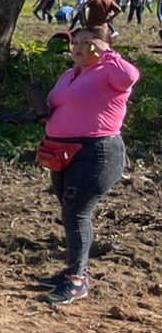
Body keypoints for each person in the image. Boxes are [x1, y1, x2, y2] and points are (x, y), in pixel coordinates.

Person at [37, 27, 140, 304]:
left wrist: (108, 54)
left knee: (77, 212)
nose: (79, 47)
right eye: (76, 42)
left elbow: (131, 76)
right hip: (62, 151)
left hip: (97, 151)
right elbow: (56, 104)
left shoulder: (110, 72)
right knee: (69, 211)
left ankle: (77, 279)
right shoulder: (69, 74)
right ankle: (74, 269)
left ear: (101, 46)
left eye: (87, 42)